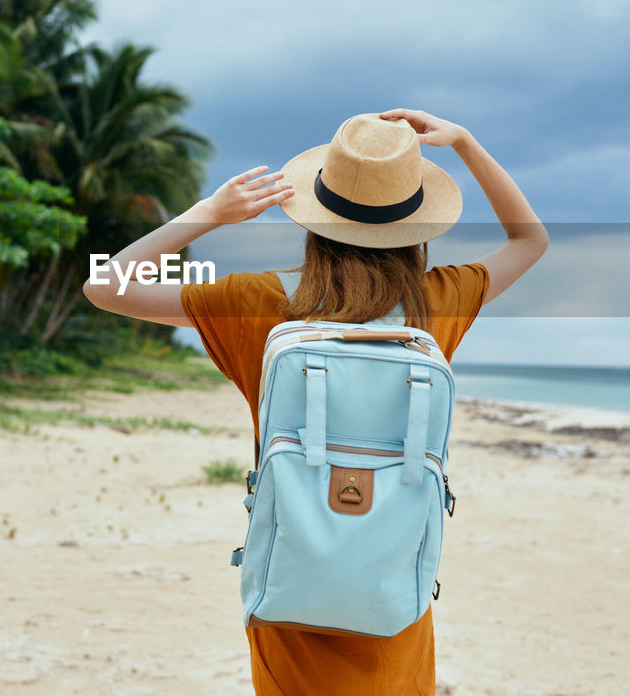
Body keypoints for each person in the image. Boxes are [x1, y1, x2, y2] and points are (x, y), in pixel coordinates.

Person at [82, 108, 548, 695]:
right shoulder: (438, 301)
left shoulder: (255, 300)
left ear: (314, 216)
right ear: (416, 225)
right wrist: (466, 143)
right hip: (391, 585)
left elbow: (105, 286)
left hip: (291, 575)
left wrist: (207, 215)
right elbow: (531, 239)